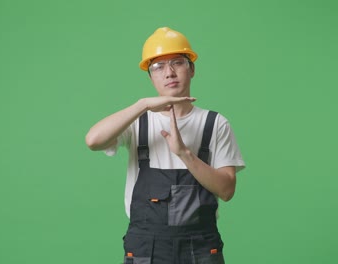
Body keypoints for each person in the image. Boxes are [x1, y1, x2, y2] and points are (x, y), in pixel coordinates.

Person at [85, 26, 245, 264]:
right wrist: (143, 105)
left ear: (192, 69)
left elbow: (227, 190)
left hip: (200, 248)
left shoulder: (215, 123)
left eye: (177, 62)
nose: (169, 72)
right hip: (146, 247)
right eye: (158, 67)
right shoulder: (137, 122)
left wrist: (184, 153)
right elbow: (93, 140)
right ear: (150, 77)